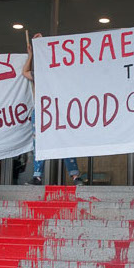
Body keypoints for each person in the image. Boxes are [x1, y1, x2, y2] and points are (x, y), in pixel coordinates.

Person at [23, 33, 84, 186]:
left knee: (65, 140)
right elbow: (24, 72)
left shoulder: (60, 75)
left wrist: (45, 46)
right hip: (42, 111)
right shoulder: (39, 75)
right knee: (40, 144)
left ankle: (75, 176)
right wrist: (31, 54)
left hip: (58, 111)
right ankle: (37, 176)